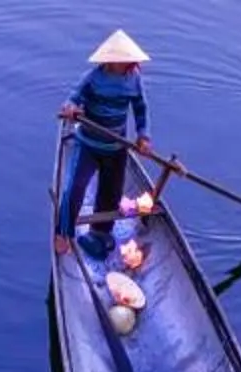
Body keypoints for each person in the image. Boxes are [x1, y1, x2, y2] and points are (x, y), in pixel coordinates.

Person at [55, 32, 154, 257]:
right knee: (74, 189)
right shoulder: (93, 78)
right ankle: (62, 232)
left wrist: (143, 136)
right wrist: (71, 109)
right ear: (111, 61)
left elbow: (141, 108)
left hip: (116, 147)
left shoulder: (134, 78)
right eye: (126, 61)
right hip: (88, 144)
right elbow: (73, 99)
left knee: (111, 194)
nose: (132, 64)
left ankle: (100, 232)